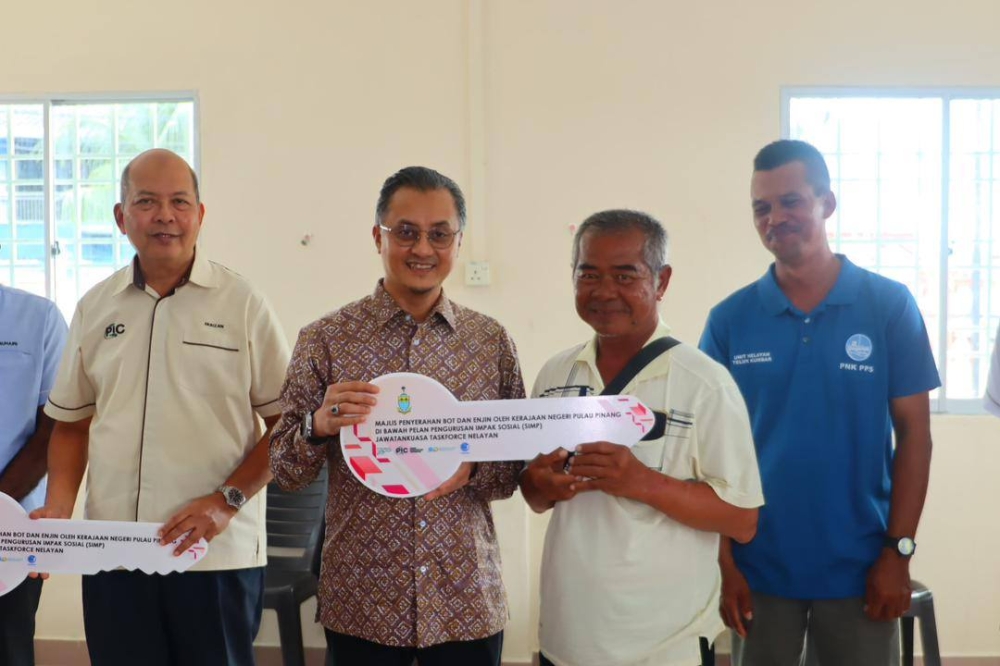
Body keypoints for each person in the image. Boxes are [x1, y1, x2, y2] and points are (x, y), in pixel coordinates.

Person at [34, 149, 291, 666]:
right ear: (121, 216)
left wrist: (226, 501)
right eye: (146, 202)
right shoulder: (95, 306)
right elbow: (70, 424)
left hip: (214, 556)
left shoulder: (242, 303)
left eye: (179, 202)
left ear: (200, 214)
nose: (164, 216)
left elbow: (288, 424)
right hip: (114, 555)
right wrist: (60, 506)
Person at [270, 166, 525, 666]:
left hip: (463, 600)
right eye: (405, 232)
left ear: (458, 242)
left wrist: (473, 467)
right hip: (364, 601)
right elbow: (285, 468)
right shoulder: (326, 339)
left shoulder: (489, 342)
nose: (422, 249)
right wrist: (317, 426)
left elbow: (515, 466)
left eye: (439, 234)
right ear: (377, 237)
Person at [699, 139, 940, 666]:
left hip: (860, 566)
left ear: (826, 204)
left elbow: (915, 436)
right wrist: (725, 565)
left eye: (791, 202)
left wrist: (898, 553)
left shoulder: (888, 305)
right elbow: (704, 451)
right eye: (761, 208)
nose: (775, 218)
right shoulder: (730, 320)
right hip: (759, 567)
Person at [521, 209, 764, 666]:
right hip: (566, 636)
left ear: (662, 281)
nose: (605, 291)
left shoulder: (704, 382)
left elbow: (742, 519)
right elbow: (535, 497)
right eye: (588, 274)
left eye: (625, 275)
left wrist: (640, 481)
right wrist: (540, 485)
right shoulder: (556, 373)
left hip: (664, 647)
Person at [0, 276, 67, 666]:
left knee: (8, 648)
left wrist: (0, 506)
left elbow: (55, 429)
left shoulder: (38, 318)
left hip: (10, 531)